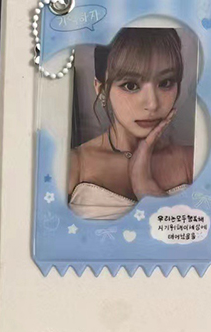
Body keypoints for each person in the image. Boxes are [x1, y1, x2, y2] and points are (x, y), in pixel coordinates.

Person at [68, 27, 194, 220]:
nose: (152, 104)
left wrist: (145, 185)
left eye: (165, 83)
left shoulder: (191, 161)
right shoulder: (74, 165)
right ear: (101, 89)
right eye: (131, 85)